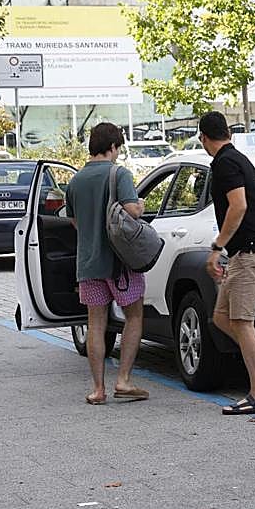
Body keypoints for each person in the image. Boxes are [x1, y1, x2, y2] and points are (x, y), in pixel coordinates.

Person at [199, 111, 255, 415]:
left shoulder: (226, 164)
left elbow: (238, 206)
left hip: (251, 252)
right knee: (222, 317)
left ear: (203, 138)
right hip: (245, 253)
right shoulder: (237, 158)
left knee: (241, 322)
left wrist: (216, 248)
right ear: (229, 133)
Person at [65, 122, 149, 405]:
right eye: (118, 148)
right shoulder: (118, 173)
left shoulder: (75, 181)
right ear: (112, 146)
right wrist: (141, 206)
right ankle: (123, 380)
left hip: (88, 264)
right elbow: (131, 210)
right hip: (119, 263)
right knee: (134, 316)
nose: (118, 153)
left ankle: (98, 389)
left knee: (96, 324)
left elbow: (75, 222)